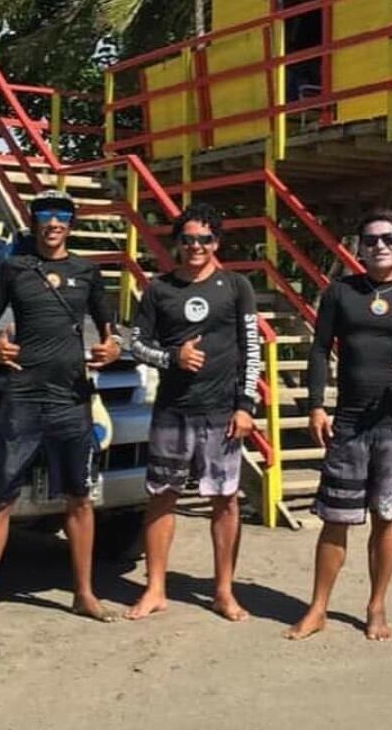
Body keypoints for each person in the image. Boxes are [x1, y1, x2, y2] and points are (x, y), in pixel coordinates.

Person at [0, 189, 122, 637]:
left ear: (72, 222)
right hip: (24, 398)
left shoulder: (87, 272)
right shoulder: (14, 268)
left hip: (72, 400)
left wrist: (112, 348)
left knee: (80, 499)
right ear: (34, 222)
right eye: (45, 215)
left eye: (62, 215)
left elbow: (111, 331)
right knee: (0, 500)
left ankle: (84, 593)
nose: (53, 222)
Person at [285, 208, 392, 643]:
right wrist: (316, 406)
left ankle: (376, 606)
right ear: (359, 246)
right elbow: (319, 350)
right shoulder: (340, 294)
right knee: (335, 518)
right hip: (348, 424)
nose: (379, 247)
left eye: (388, 238)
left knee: (385, 516)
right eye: (370, 240)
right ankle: (317, 608)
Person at [125, 202, 260, 622]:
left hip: (222, 413)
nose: (196, 246)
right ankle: (155, 588)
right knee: (161, 498)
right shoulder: (159, 289)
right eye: (187, 239)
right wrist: (173, 357)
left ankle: (223, 591)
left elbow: (251, 349)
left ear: (217, 242)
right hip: (173, 411)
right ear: (177, 243)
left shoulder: (237, 287)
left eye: (204, 239)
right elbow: (136, 343)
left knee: (225, 500)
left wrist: (246, 405)